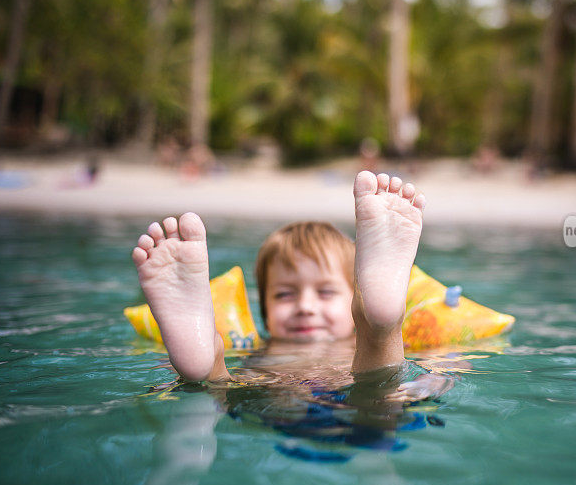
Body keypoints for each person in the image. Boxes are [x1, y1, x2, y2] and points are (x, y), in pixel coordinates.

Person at [131, 170, 451, 402]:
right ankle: (201, 356)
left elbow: (445, 367)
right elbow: (452, 363)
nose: (305, 307)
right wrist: (435, 377)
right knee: (381, 403)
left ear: (353, 298)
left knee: (219, 391)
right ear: (265, 311)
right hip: (352, 402)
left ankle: (209, 364)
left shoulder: (257, 352)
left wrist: (435, 378)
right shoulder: (261, 345)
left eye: (325, 292)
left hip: (265, 405)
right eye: (284, 294)